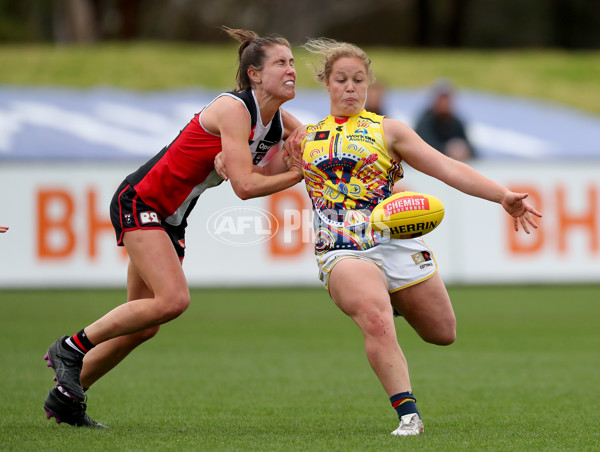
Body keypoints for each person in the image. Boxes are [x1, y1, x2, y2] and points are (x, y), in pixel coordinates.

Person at [43, 26, 304, 428]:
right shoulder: (235, 110)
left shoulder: (279, 121)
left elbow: (309, 144)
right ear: (254, 74)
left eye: (293, 63)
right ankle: (70, 347)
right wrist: (297, 175)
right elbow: (246, 186)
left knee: (142, 327)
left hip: (170, 218)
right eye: (282, 63)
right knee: (173, 301)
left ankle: (65, 399)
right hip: (141, 200)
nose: (292, 70)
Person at [299, 38, 541, 436]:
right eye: (340, 79)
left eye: (358, 79)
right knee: (376, 321)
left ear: (368, 84)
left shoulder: (389, 130)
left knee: (442, 333)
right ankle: (408, 415)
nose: (349, 87)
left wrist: (503, 196)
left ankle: (386, 293)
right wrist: (227, 165)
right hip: (342, 249)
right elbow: (255, 171)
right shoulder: (305, 136)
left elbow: (447, 167)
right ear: (326, 83)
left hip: (396, 243)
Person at [414, 78, 475, 161]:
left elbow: (471, 149)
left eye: (446, 99)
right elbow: (421, 149)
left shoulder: (455, 122)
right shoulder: (425, 122)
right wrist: (447, 150)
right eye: (441, 99)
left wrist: (463, 150)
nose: (444, 103)